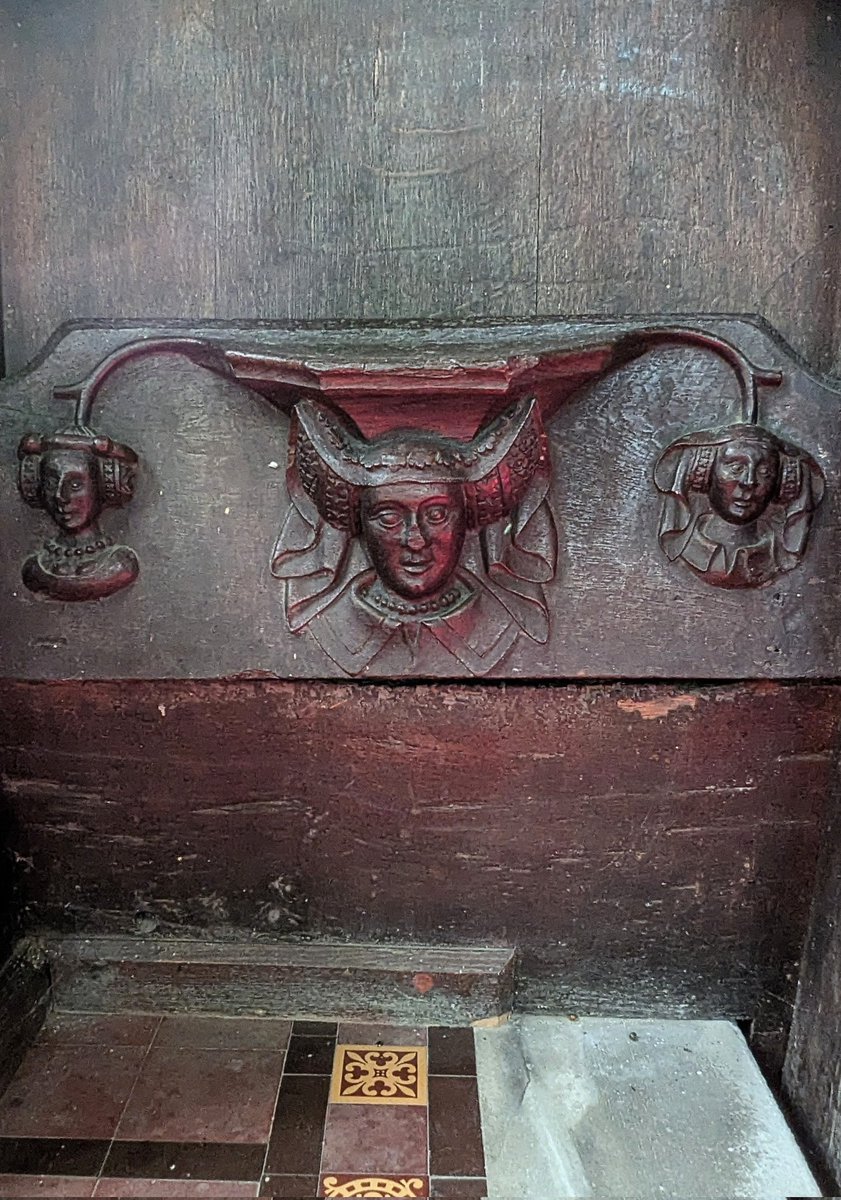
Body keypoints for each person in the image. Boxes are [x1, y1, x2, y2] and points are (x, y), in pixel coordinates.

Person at [271, 397, 557, 675]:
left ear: (469, 519)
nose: (416, 540)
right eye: (389, 518)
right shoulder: (329, 629)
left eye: (437, 515)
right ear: (357, 525)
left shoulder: (503, 628)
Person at [654, 422, 824, 589]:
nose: (749, 482)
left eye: (764, 472)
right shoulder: (686, 547)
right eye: (736, 468)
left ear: (783, 485)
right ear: (703, 474)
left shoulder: (777, 558)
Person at [18, 426, 139, 601]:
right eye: (51, 483)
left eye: (75, 485)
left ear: (106, 487)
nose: (61, 496)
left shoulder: (120, 565)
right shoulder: (34, 569)